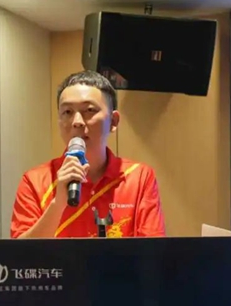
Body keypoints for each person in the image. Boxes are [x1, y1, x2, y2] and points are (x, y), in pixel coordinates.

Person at [10, 70, 166, 238]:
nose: (77, 122)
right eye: (67, 112)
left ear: (113, 121)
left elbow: (154, 250)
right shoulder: (34, 181)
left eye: (89, 110)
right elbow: (21, 253)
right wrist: (58, 204)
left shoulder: (139, 177)